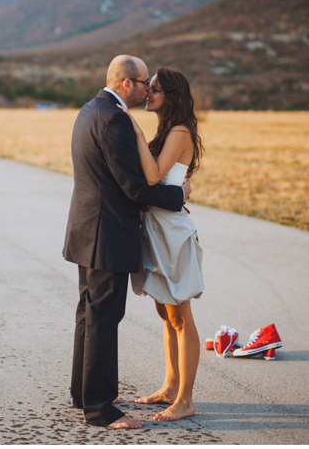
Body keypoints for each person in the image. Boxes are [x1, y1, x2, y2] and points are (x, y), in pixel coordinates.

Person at [63, 55, 191, 429]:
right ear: (126, 84)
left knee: (89, 313)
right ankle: (101, 409)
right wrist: (178, 197)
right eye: (144, 81)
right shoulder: (115, 119)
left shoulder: (90, 110)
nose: (148, 87)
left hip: (86, 230)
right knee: (103, 318)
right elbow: (134, 187)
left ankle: (82, 392)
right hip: (108, 234)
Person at [120, 66, 204, 423]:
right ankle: (170, 388)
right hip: (154, 227)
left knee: (181, 315)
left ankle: (185, 400)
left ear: (170, 94)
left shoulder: (181, 130)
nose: (148, 93)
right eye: (147, 87)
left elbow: (153, 176)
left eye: (154, 89)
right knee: (165, 312)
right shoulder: (168, 129)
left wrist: (135, 133)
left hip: (171, 232)